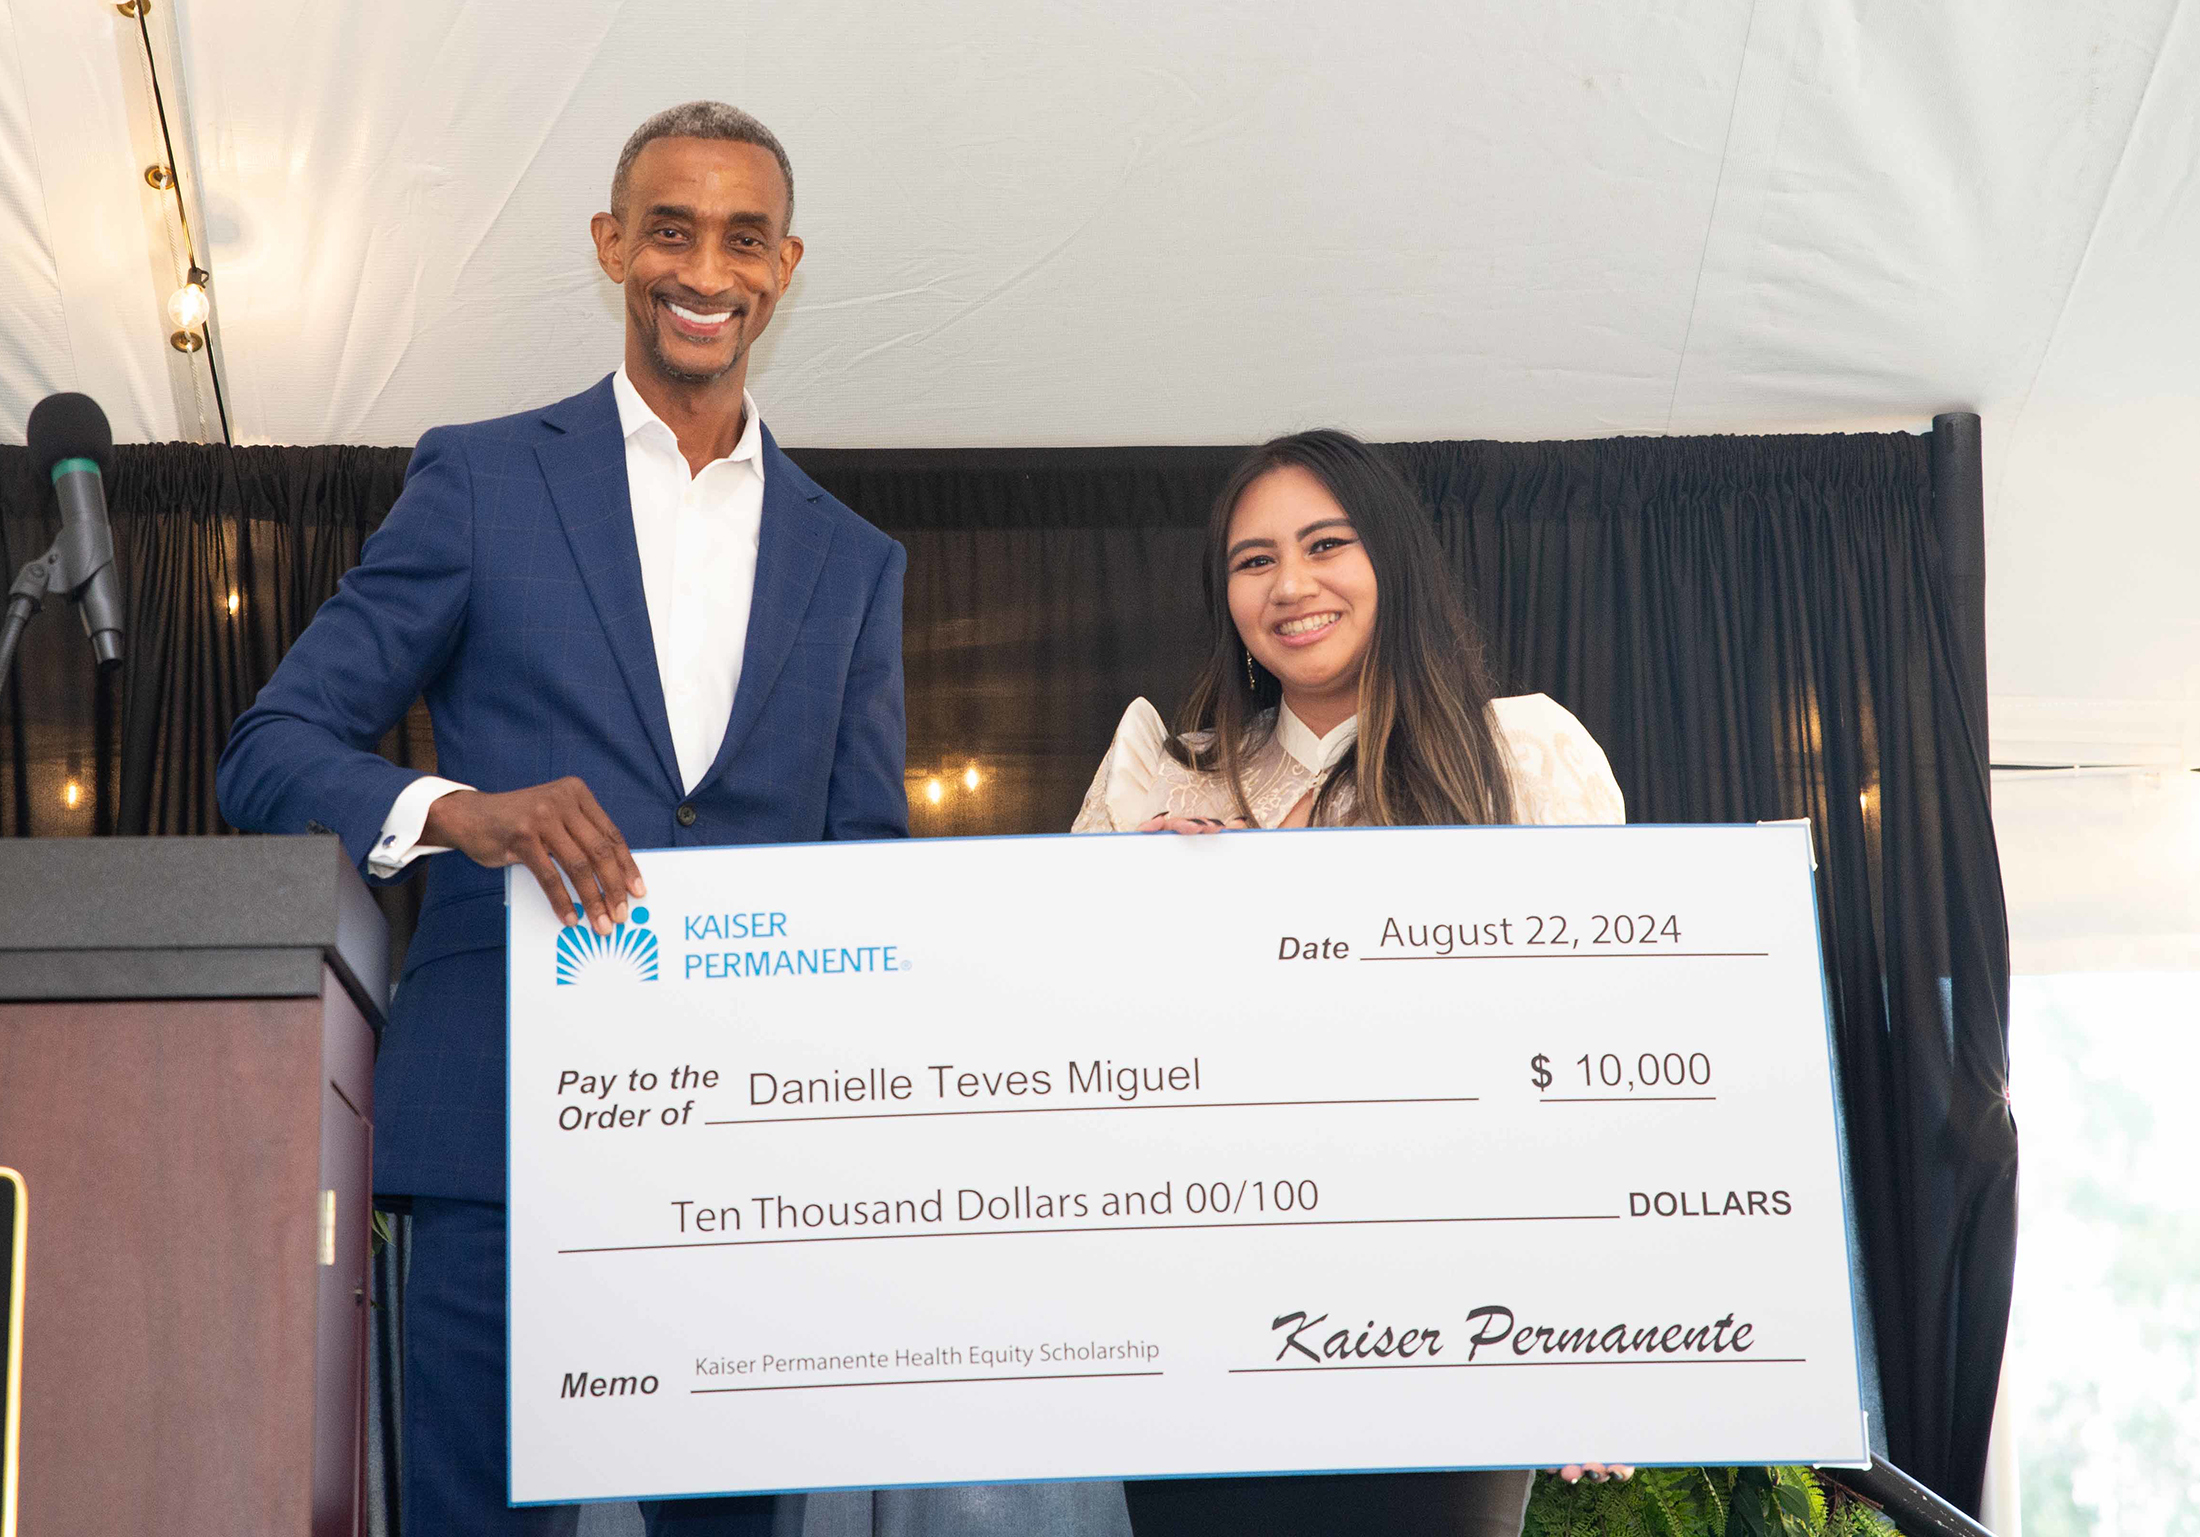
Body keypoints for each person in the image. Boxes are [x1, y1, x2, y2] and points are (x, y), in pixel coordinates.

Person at [217, 102, 906, 1535]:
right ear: (611, 246)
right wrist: (456, 809)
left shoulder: (854, 562)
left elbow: (870, 881)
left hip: (746, 1162)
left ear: (785, 266)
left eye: (741, 237)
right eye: (669, 229)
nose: (702, 268)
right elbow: (270, 747)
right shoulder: (480, 478)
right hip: (496, 1135)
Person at [1071, 429, 1631, 1537]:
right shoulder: (1159, 779)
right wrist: (1107, 912)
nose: (1291, 585)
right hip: (1199, 1342)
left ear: (1393, 562)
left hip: (1453, 1332)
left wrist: (1597, 1330)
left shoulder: (1520, 759)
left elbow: (1601, 1057)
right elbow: (1069, 1070)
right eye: (1252, 559)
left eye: (1326, 544)